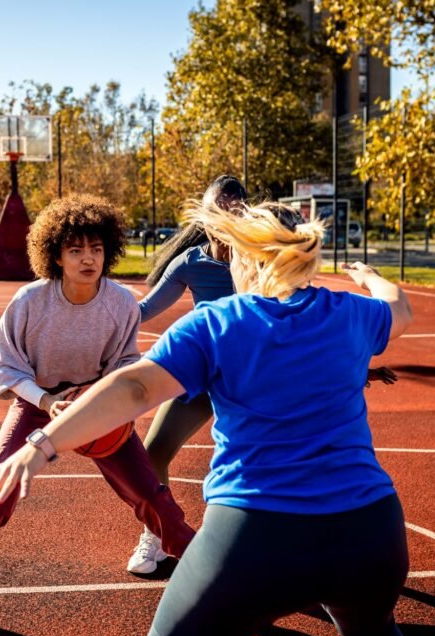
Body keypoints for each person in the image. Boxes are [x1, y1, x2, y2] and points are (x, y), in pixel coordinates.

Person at [0, 200, 418, 636]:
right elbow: (399, 309)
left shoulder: (219, 323)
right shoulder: (353, 314)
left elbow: (133, 388)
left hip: (258, 536)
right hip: (372, 533)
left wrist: (41, 444)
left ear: (243, 257)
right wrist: (369, 278)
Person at [0, 193, 197, 636]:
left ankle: (208, 576)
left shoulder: (121, 303)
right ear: (55, 254)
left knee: (150, 494)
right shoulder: (30, 301)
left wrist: (104, 397)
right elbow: (6, 364)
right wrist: (48, 402)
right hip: (37, 403)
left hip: (97, 403)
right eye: (76, 250)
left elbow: (127, 363)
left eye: (96, 248)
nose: (88, 258)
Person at [128, 176, 396, 575]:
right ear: (205, 217)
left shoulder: (263, 259)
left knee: (276, 459)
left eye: (236, 210)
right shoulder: (191, 264)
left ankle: (296, 547)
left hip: (257, 375)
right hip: (206, 370)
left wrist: (355, 366)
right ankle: (158, 536)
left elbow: (303, 326)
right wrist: (95, 309)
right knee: (152, 455)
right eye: (219, 210)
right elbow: (142, 311)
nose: (228, 217)